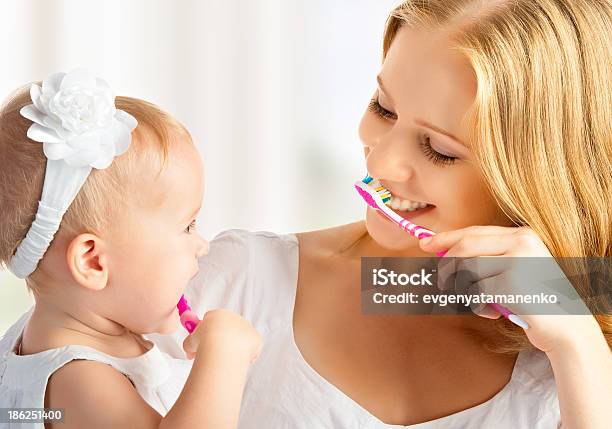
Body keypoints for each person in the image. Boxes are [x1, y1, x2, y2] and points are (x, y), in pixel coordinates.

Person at [152, 1, 611, 427]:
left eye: (440, 150)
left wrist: (578, 345)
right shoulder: (233, 282)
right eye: (384, 108)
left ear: (544, 176)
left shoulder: (584, 335)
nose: (378, 164)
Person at [0, 69, 262, 429]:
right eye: (187, 226)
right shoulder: (79, 383)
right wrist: (224, 353)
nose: (201, 246)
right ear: (93, 262)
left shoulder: (45, 331)